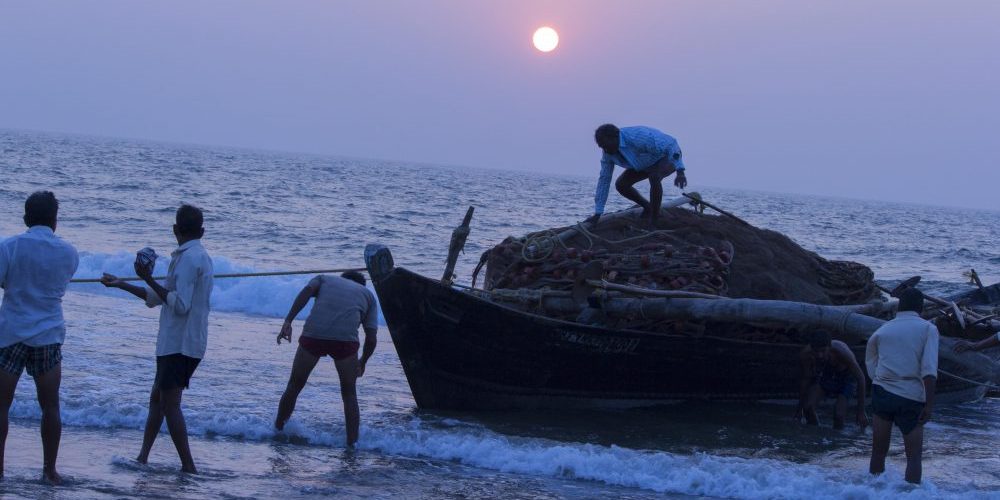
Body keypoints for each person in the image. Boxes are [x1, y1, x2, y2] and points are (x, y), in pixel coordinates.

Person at [100, 204, 213, 474]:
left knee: (170, 405)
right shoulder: (196, 256)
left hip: (180, 344)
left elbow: (180, 304)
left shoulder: (188, 259)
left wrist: (148, 278)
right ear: (202, 231)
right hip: (181, 342)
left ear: (175, 230)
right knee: (156, 399)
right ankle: (142, 457)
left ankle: (188, 466)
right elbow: (159, 298)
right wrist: (123, 284)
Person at [0, 192, 78, 484]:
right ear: (55, 221)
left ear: (25, 219)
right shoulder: (69, 253)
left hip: (10, 334)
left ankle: (0, 469)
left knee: (1, 406)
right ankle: (49, 470)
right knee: (51, 406)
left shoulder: (10, 247)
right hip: (47, 335)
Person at [274, 270, 378, 447]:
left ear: (342, 279)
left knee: (294, 385)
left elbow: (306, 293)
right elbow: (371, 338)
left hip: (314, 335)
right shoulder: (368, 295)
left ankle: (277, 431)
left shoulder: (324, 279)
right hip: (345, 342)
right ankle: (352, 444)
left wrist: (288, 321)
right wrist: (363, 362)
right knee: (349, 394)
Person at [866, 288, 938, 484]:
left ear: (899, 306)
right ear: (921, 307)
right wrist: (929, 405)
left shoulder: (883, 329)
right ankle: (911, 496)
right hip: (911, 396)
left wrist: (880, 380)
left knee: (878, 452)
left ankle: (871, 493)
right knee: (913, 457)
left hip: (882, 392)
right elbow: (929, 371)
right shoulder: (928, 329)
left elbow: (871, 362)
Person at [586, 124, 688, 227]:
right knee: (621, 184)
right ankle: (647, 207)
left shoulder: (638, 136)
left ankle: (654, 220)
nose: (606, 150)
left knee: (654, 177)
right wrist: (598, 213)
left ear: (615, 137)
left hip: (667, 157)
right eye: (602, 147)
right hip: (643, 164)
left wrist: (680, 172)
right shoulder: (607, 154)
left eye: (606, 145)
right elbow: (604, 180)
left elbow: (671, 145)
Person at [794, 331, 868, 430]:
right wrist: (799, 410)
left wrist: (861, 412)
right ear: (812, 349)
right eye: (816, 351)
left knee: (838, 415)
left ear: (829, 347)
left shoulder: (842, 353)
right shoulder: (806, 355)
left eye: (823, 351)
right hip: (826, 376)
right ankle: (815, 435)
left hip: (846, 379)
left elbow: (861, 379)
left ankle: (837, 442)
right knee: (808, 408)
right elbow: (805, 380)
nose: (820, 355)